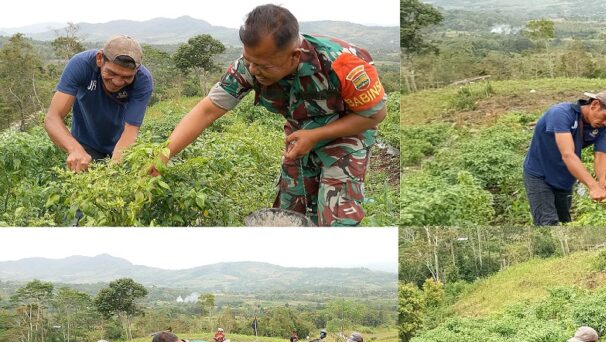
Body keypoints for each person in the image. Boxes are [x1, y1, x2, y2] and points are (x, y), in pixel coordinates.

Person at [152, 4, 387, 226]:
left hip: (347, 132)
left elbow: (374, 115)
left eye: (264, 66)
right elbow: (207, 110)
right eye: (249, 61)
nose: (254, 70)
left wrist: (315, 136)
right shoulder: (250, 65)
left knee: (337, 214)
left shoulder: (343, 63)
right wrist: (164, 154)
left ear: (295, 56)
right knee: (290, 210)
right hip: (299, 135)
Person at [44, 35, 153, 172]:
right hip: (85, 143)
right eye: (111, 72)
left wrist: (113, 170)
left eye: (127, 77)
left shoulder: (143, 80)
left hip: (121, 144)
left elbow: (131, 130)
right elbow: (52, 117)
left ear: (136, 71)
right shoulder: (81, 65)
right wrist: (75, 149)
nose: (117, 82)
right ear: (100, 58)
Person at [523, 91, 606, 225]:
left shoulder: (603, 125)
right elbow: (568, 154)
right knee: (547, 224)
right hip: (540, 174)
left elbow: (600, 154)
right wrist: (593, 186)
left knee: (565, 222)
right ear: (594, 105)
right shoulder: (561, 114)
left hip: (565, 177)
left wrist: (602, 181)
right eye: (605, 117)